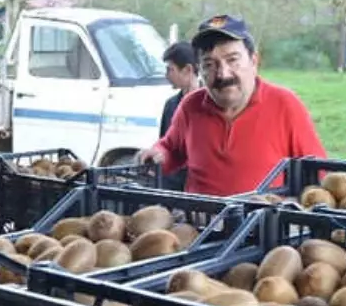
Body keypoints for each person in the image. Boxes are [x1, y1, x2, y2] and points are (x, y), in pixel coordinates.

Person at [139, 15, 326, 196]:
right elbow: (171, 149)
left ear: (254, 61)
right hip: (199, 223)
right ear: (200, 70)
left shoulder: (285, 105)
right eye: (209, 64)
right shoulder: (190, 106)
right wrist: (158, 154)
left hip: (262, 224)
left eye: (232, 60)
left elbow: (318, 173)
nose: (223, 74)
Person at [157, 41, 200, 190]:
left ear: (188, 70)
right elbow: (164, 145)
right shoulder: (171, 105)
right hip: (171, 186)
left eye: (171, 70)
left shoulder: (210, 105)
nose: (167, 75)